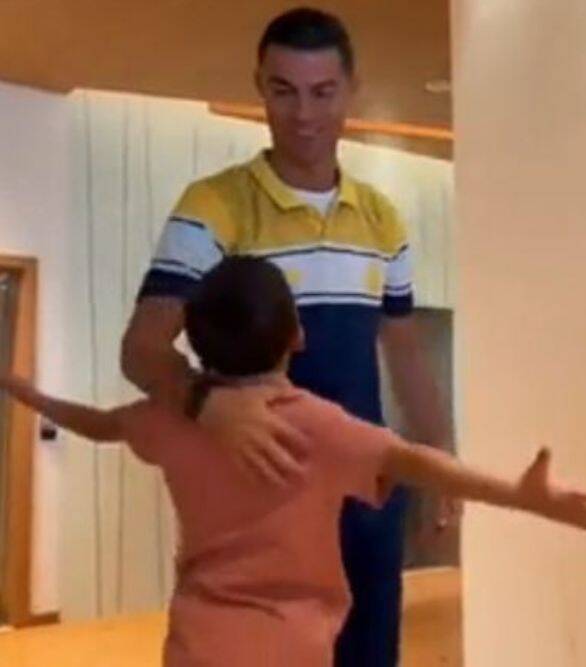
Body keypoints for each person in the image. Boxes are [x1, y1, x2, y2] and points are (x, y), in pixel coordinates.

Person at [0, 257, 586, 666]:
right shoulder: (314, 424)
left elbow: (99, 424)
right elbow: (415, 460)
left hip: (197, 642)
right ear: (296, 335)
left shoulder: (170, 418)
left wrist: (31, 395)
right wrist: (520, 494)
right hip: (291, 644)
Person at [118, 9, 450, 665]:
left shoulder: (382, 218)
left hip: (364, 499)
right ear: (260, 89)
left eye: (323, 92)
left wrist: (437, 455)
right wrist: (206, 401)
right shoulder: (211, 207)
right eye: (283, 91)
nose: (303, 115)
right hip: (262, 507)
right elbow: (141, 348)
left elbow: (405, 348)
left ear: (351, 90)